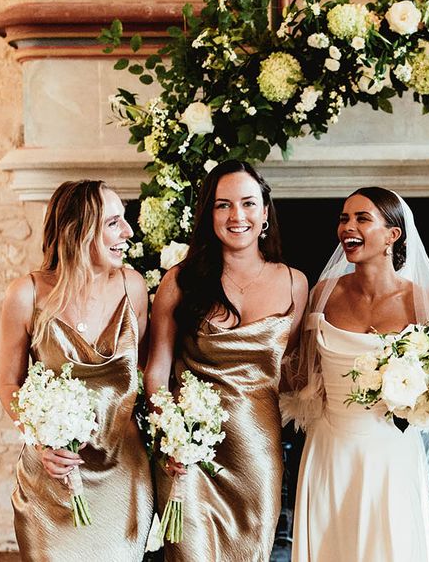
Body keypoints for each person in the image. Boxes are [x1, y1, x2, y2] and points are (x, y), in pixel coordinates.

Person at [144, 160, 308, 562]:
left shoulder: (295, 283)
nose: (238, 216)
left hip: (257, 452)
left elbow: (291, 369)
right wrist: (171, 436)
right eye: (223, 205)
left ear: (265, 212)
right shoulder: (180, 280)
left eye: (249, 203)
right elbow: (157, 369)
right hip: (189, 455)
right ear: (209, 214)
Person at [283, 187, 429, 562]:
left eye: (361, 218)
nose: (348, 227)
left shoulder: (425, 301)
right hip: (330, 448)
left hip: (393, 452)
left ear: (393, 235)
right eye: (344, 218)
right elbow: (301, 369)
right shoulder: (324, 293)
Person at [0, 179, 153, 561]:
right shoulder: (26, 294)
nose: (128, 232)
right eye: (114, 222)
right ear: (78, 230)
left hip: (122, 472)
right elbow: (8, 382)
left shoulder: (134, 288)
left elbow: (145, 374)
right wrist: (41, 441)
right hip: (53, 477)